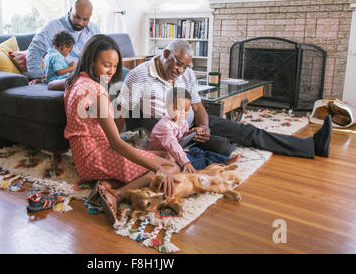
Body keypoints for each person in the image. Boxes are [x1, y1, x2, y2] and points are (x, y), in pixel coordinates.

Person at [115, 39, 333, 160]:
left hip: (191, 123)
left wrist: (206, 126)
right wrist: (111, 144)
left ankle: (312, 146)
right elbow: (120, 113)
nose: (180, 70)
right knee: (224, 148)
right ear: (164, 54)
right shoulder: (139, 75)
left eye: (185, 66)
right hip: (169, 133)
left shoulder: (187, 74)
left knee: (248, 131)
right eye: (177, 64)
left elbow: (199, 107)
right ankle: (211, 146)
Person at [63, 34, 183, 225]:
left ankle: (106, 184)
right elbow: (116, 143)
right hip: (96, 157)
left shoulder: (74, 82)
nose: (111, 71)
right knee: (171, 167)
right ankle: (116, 195)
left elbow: (54, 84)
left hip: (81, 156)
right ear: (91, 61)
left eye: (115, 65)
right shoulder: (97, 92)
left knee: (165, 154)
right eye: (106, 65)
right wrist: (158, 168)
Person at [149, 87, 241, 174]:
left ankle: (225, 160)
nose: (182, 113)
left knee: (199, 151)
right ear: (168, 107)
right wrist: (185, 162)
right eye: (178, 109)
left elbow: (183, 136)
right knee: (191, 160)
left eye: (186, 110)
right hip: (166, 154)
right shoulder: (164, 126)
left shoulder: (181, 121)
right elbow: (173, 146)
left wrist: (191, 132)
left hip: (181, 148)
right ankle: (212, 166)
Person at [26, 0, 100, 85]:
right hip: (62, 78)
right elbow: (34, 51)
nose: (80, 23)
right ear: (71, 10)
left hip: (88, 75)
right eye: (77, 17)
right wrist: (36, 76)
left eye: (85, 19)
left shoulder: (94, 29)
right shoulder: (52, 27)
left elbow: (101, 53)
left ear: (90, 16)